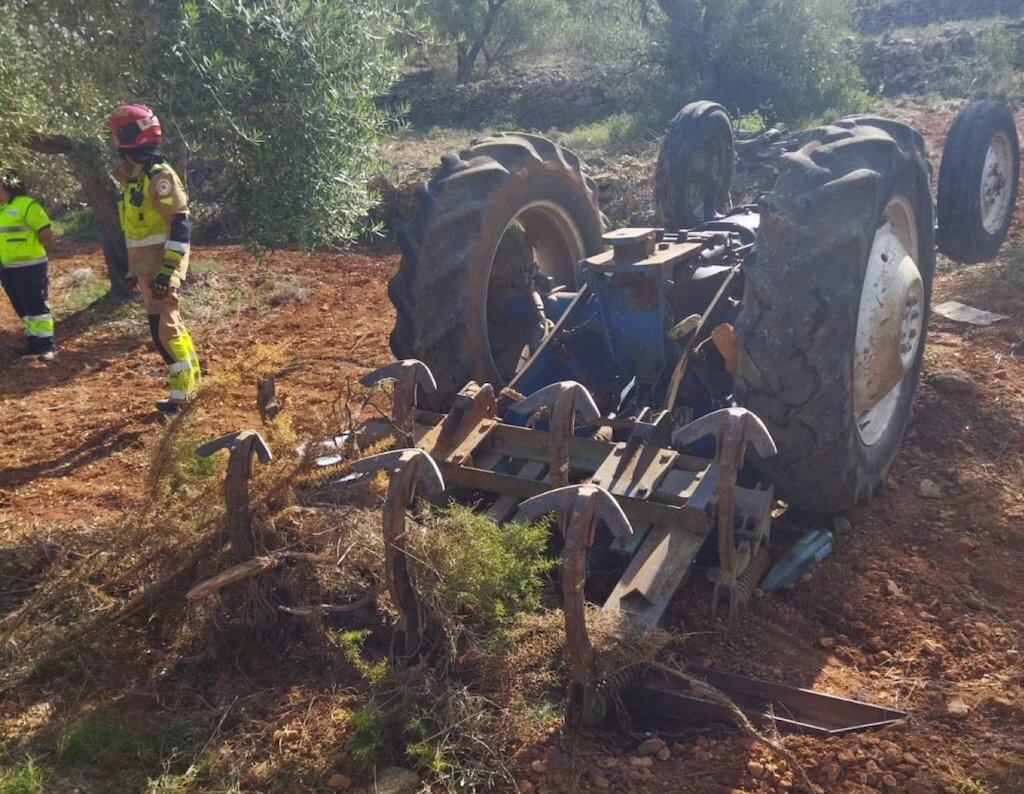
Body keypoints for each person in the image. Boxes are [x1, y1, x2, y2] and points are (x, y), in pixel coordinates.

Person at [103, 103, 200, 418]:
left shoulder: (158, 176)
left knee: (164, 331)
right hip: (148, 269)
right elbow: (139, 232)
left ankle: (183, 398)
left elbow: (180, 223)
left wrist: (167, 271)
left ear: (128, 137)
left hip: (161, 268)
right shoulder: (136, 178)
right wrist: (134, 271)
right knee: (167, 327)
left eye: (117, 135)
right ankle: (189, 388)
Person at [0, 170, 57, 362]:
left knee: (36, 306)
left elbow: (46, 232)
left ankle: (47, 346)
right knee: (22, 307)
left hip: (30, 267)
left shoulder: (27, 205)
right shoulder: (2, 208)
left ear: (5, 184)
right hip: (8, 269)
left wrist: (31, 249)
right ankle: (33, 342)